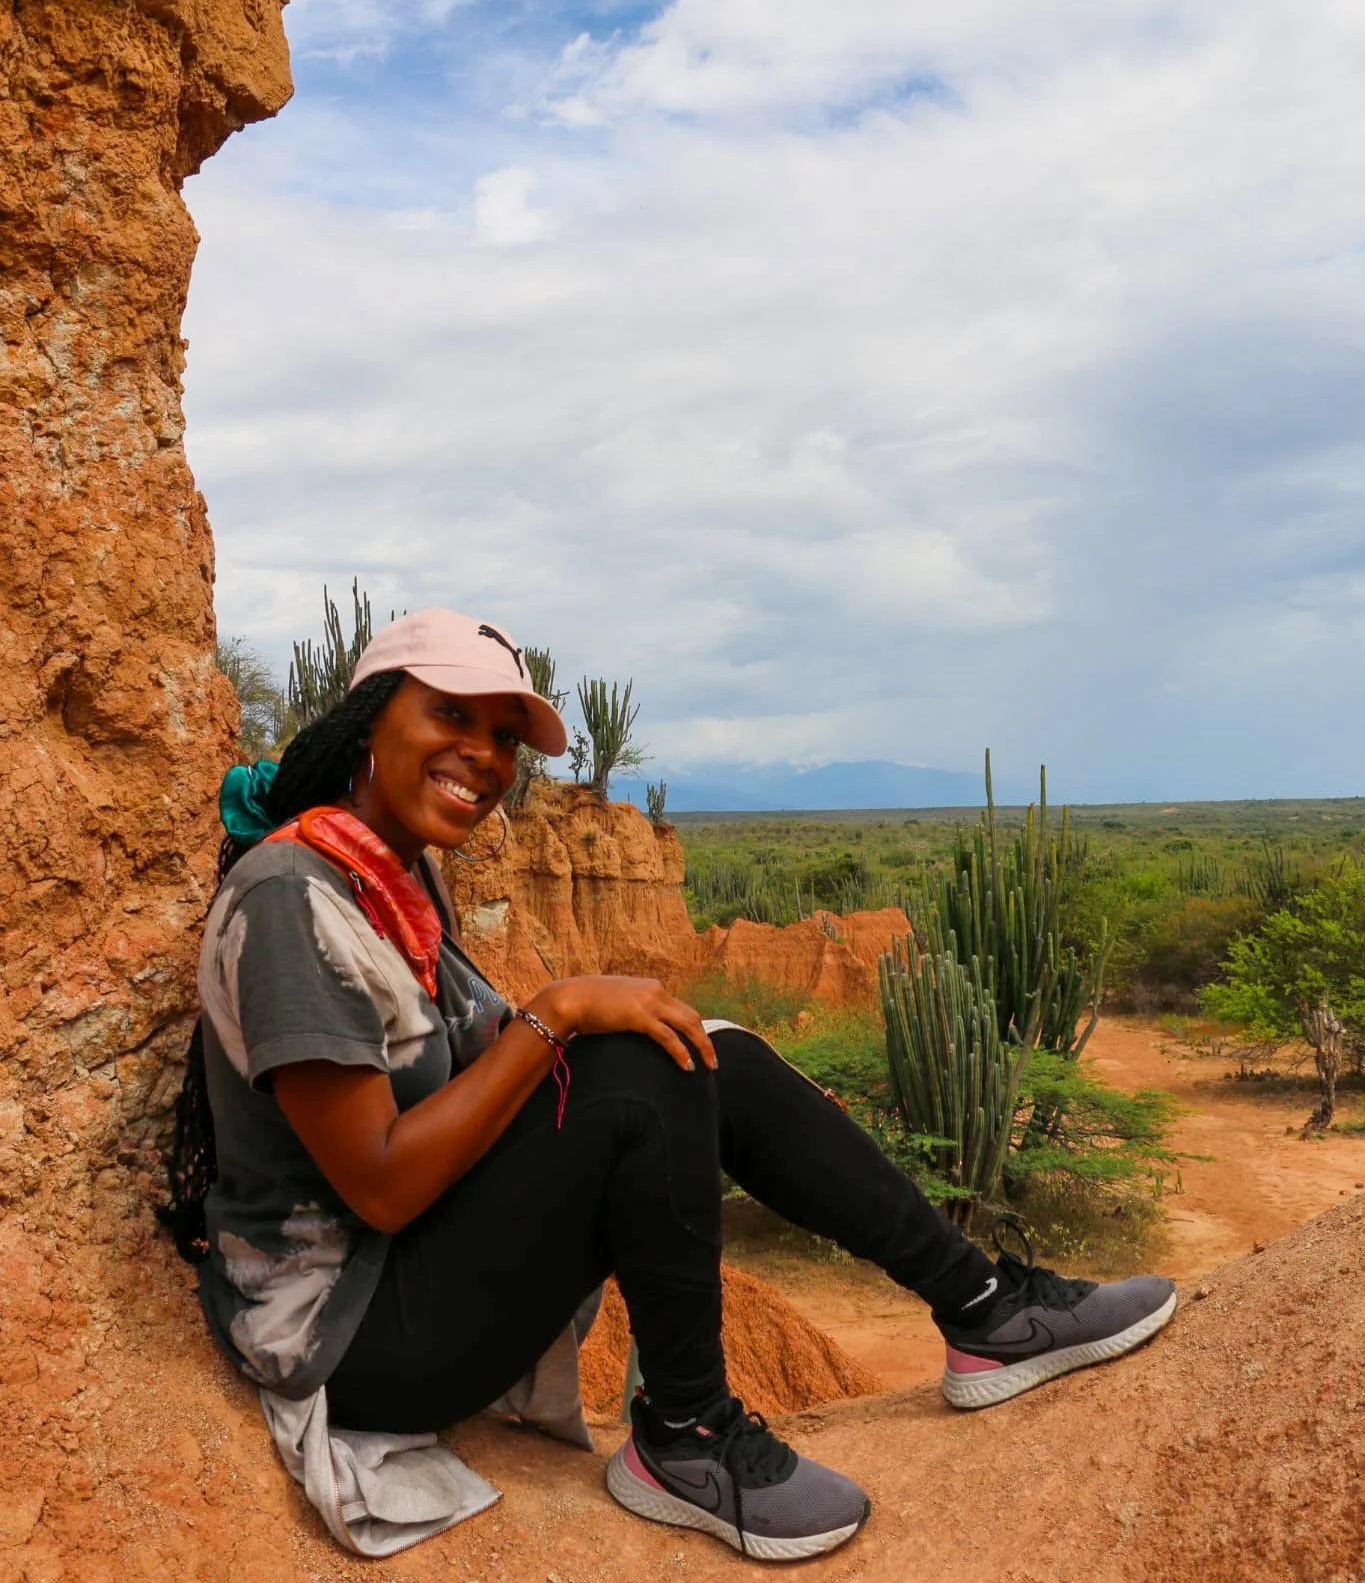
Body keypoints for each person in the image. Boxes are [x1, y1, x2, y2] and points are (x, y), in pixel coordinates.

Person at [165, 608, 1176, 1564]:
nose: (486, 754)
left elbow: (477, 1069)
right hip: (348, 1332)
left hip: (409, 1266)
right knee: (640, 1075)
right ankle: (685, 1433)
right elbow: (383, 1182)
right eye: (451, 713)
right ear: (367, 717)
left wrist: (735, 1098)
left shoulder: (391, 875)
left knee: (699, 1049)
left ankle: (985, 1307)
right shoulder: (294, 897)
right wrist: (557, 1013)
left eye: (506, 735)